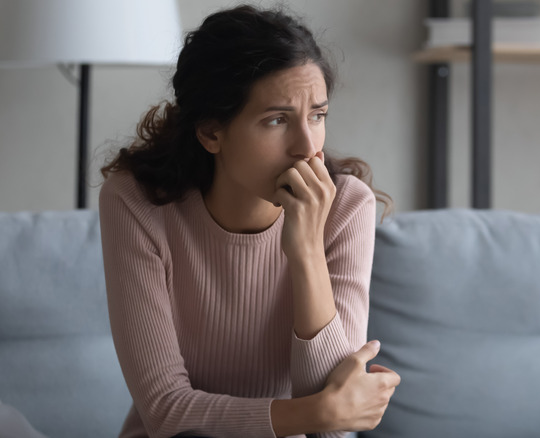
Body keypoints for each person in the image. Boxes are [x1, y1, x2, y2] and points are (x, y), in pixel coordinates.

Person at [98, 5, 400, 438]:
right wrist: (318, 413)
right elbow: (165, 411)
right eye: (276, 120)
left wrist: (306, 251)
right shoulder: (137, 204)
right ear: (211, 133)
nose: (306, 147)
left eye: (317, 115)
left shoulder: (348, 206)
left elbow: (332, 430)